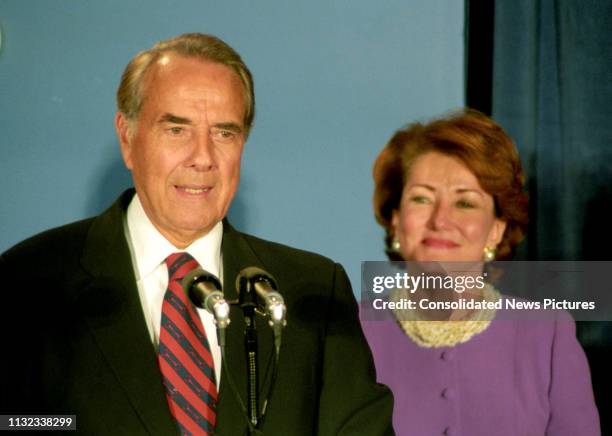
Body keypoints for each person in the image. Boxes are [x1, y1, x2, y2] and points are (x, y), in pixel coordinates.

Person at [0, 33, 394, 435]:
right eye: (176, 130)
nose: (203, 157)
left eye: (225, 133)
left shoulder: (311, 291)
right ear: (127, 137)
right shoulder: (29, 283)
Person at [361, 109, 600, 435]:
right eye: (421, 198)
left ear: (496, 230)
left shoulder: (548, 334)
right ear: (395, 220)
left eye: (465, 203)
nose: (440, 221)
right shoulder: (350, 333)